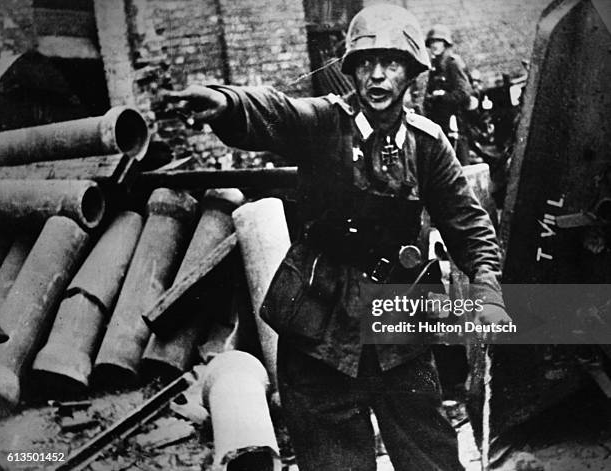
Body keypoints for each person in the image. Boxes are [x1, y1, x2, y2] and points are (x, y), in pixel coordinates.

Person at [163, 4, 511, 470]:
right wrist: (226, 103)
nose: (378, 77)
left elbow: (467, 223)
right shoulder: (323, 122)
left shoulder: (427, 144)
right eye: (366, 63)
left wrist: (486, 280)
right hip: (320, 323)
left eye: (390, 63)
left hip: (399, 319)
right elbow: (275, 111)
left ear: (411, 72)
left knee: (431, 456)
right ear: (352, 71)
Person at [424, 25, 474, 165]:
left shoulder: (452, 63)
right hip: (440, 122)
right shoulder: (434, 66)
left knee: (461, 161)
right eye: (432, 42)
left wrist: (442, 96)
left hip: (455, 122)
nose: (434, 45)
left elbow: (464, 93)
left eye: (438, 41)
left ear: (445, 43)